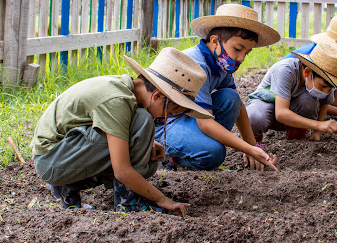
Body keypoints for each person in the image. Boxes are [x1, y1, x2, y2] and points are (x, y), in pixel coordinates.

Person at [31, 47, 212, 216]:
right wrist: (163, 200)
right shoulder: (117, 100)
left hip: (63, 154)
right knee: (142, 122)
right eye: (170, 112)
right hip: (52, 159)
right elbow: (122, 171)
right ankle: (128, 203)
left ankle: (67, 187)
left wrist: (147, 143)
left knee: (146, 160)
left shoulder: (126, 90)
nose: (168, 118)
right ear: (157, 96)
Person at [155, 4, 281, 171]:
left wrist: (252, 147)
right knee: (213, 153)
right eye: (238, 49)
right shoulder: (197, 66)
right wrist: (249, 149)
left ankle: (196, 147)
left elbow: (238, 105)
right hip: (162, 125)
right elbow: (205, 123)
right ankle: (170, 158)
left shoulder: (222, 63)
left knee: (230, 98)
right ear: (215, 41)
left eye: (247, 52)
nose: (241, 58)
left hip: (185, 117)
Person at [247, 42, 337, 142]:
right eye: (323, 86)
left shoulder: (325, 79)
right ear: (307, 72)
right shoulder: (285, 70)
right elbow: (281, 113)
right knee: (255, 117)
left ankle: (296, 138)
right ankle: (254, 143)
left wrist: (317, 132)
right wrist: (319, 125)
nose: (326, 92)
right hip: (267, 105)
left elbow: (324, 105)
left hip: (289, 113)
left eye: (330, 89)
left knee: (309, 101)